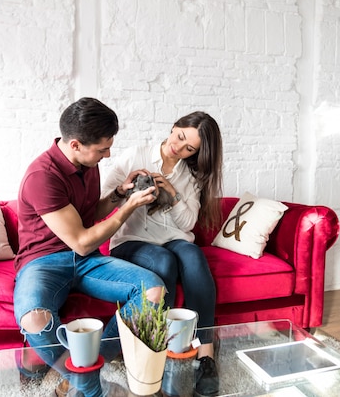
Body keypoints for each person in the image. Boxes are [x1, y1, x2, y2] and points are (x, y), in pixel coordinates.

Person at [13, 97, 166, 397]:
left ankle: (85, 372)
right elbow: (81, 241)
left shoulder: (86, 162)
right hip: (43, 262)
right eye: (102, 149)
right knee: (33, 318)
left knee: (153, 290)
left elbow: (87, 215)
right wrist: (131, 206)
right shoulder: (42, 177)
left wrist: (121, 194)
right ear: (74, 145)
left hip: (86, 261)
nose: (108, 155)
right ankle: (81, 379)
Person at [101, 111, 223, 396]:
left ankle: (205, 356)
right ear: (174, 126)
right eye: (179, 136)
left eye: (189, 148)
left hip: (174, 239)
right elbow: (103, 204)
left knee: (193, 255)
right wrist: (127, 191)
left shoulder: (189, 174)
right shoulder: (135, 156)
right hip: (132, 241)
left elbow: (188, 224)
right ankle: (160, 351)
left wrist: (173, 194)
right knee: (163, 262)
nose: (178, 148)